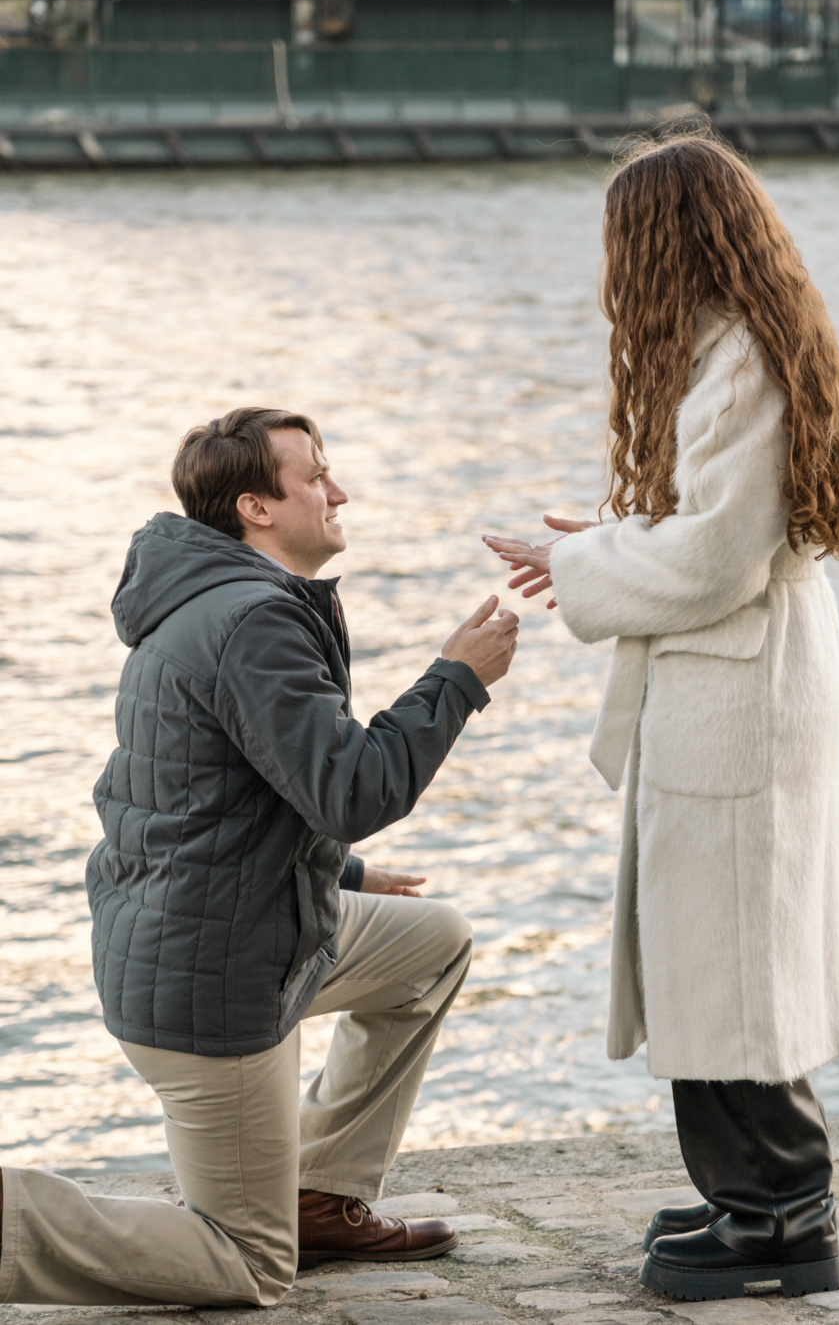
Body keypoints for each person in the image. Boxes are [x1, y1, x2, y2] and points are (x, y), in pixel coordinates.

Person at [0, 407, 518, 1307]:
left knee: (431, 945)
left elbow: (210, 799)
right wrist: (456, 680)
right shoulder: (250, 621)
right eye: (316, 475)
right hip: (214, 977)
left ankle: (319, 1193)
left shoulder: (220, 602)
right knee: (245, 1264)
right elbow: (353, 792)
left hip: (236, 929)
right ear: (256, 507)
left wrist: (341, 874)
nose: (339, 489)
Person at [484, 134, 839, 1303]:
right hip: (740, 679)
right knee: (717, 940)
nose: (612, 266)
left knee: (733, 952)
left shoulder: (740, 364)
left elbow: (712, 559)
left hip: (737, 690)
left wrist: (583, 556)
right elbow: (713, 534)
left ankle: (781, 1219)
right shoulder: (741, 349)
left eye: (622, 242)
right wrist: (595, 546)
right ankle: (747, 1198)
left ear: (664, 243)